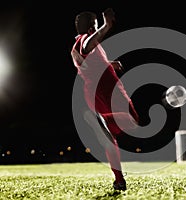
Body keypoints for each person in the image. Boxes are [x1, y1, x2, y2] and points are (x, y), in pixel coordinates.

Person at [70, 8, 139, 191]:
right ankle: (105, 120)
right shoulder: (83, 40)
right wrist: (107, 26)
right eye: (94, 25)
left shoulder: (76, 48)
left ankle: (119, 180)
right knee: (132, 120)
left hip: (93, 91)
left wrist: (110, 64)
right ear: (91, 27)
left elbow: (88, 60)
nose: (95, 29)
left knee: (110, 137)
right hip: (107, 87)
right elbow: (86, 45)